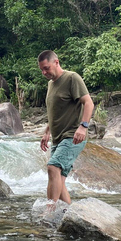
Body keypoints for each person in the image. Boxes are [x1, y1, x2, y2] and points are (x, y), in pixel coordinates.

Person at [38, 50, 94, 208]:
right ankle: (69, 213)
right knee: (59, 182)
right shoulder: (50, 84)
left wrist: (83, 127)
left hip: (72, 136)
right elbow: (54, 111)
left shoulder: (72, 78)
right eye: (41, 69)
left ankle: (49, 211)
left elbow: (89, 103)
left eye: (46, 68)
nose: (44, 72)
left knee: (52, 167)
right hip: (57, 139)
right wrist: (47, 132)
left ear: (56, 62)